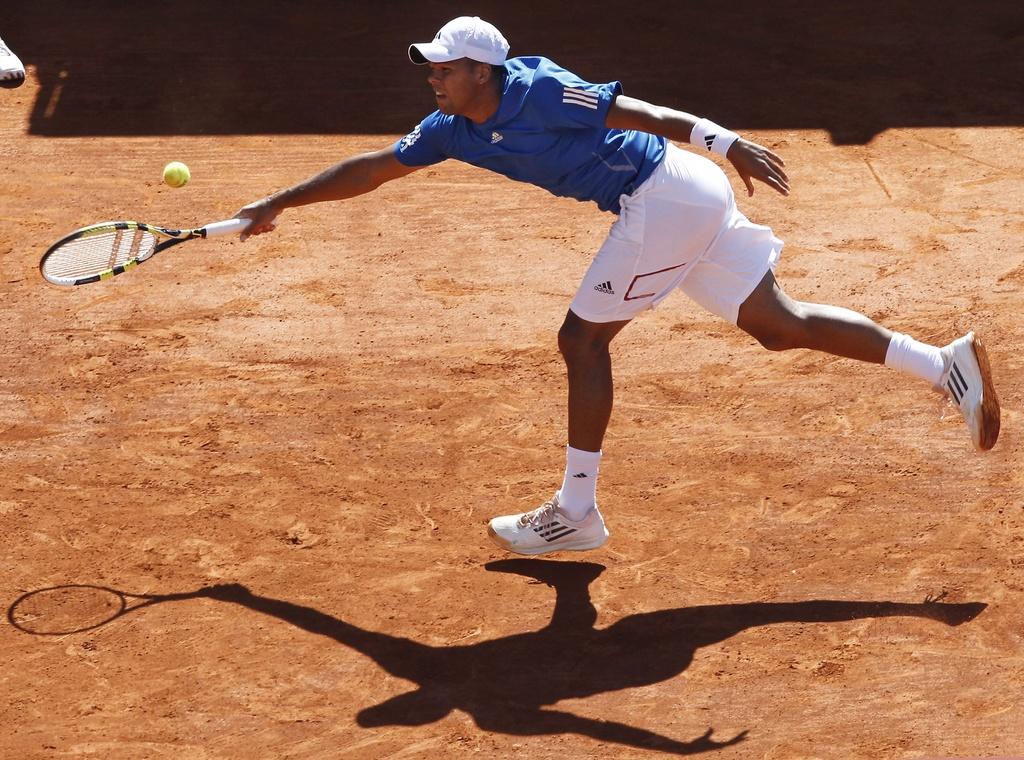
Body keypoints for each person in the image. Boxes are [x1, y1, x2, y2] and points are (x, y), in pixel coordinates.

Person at [235, 17, 1000, 557]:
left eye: (444, 67)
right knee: (778, 322)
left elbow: (639, 112)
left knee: (582, 338)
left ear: (483, 72)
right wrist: (278, 203)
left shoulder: (537, 90)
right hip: (675, 202)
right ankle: (944, 365)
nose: (432, 77)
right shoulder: (448, 129)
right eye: (430, 67)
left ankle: (575, 511)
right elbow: (371, 169)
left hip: (668, 191)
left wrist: (726, 141)